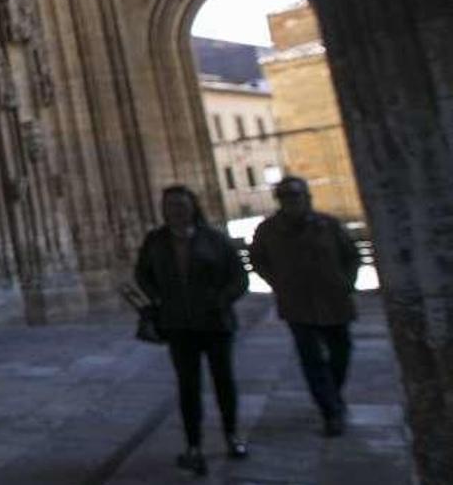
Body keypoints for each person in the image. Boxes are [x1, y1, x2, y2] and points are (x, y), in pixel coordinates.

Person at [136, 185, 250, 476]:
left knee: (223, 382)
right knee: (188, 387)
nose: (176, 210)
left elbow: (239, 278)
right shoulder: (157, 241)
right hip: (179, 326)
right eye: (170, 205)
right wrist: (158, 298)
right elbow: (142, 273)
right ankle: (193, 445)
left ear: (193, 207)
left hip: (215, 324)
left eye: (181, 205)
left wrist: (220, 301)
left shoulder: (214, 239)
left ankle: (232, 436)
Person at [250, 176, 361, 437]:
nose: (292, 201)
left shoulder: (328, 224)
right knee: (311, 358)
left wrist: (346, 283)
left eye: (296, 195)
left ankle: (332, 394)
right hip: (297, 304)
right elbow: (258, 259)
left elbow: (350, 255)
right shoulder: (268, 229)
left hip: (334, 301)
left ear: (306, 198)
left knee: (341, 351)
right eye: (287, 196)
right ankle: (330, 410)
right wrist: (277, 282)